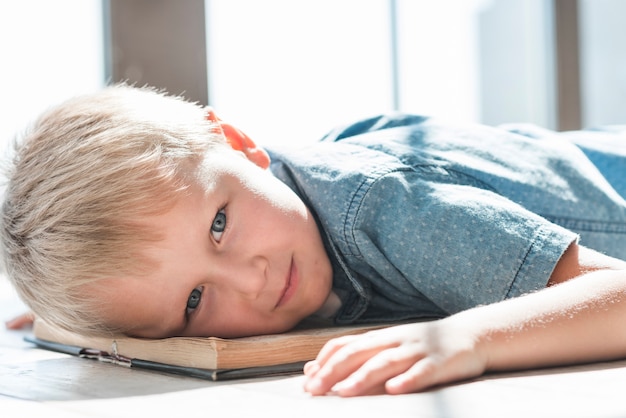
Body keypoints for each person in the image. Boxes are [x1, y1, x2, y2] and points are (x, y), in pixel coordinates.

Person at [3, 85, 626, 397]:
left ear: (241, 144)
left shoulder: (380, 206)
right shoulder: (262, 204)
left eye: (220, 224)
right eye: (195, 300)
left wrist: (469, 335)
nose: (254, 281)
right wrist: (79, 312)